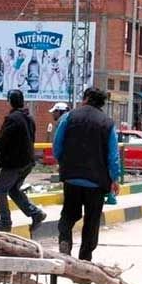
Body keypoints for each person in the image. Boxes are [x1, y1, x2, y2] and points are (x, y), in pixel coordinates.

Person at [53, 87, 121, 261]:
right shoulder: (107, 123)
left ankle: (65, 240)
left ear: (86, 99)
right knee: (92, 220)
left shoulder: (69, 117)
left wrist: (64, 163)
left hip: (72, 177)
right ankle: (85, 256)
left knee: (68, 213)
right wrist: (115, 178)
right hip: (97, 181)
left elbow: (57, 145)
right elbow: (113, 155)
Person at [0, 89, 47, 232]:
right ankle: (35, 213)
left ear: (10, 101)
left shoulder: (12, 119)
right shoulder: (29, 118)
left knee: (0, 190)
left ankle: (5, 221)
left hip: (15, 163)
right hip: (28, 162)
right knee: (13, 190)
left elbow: (1, 140)